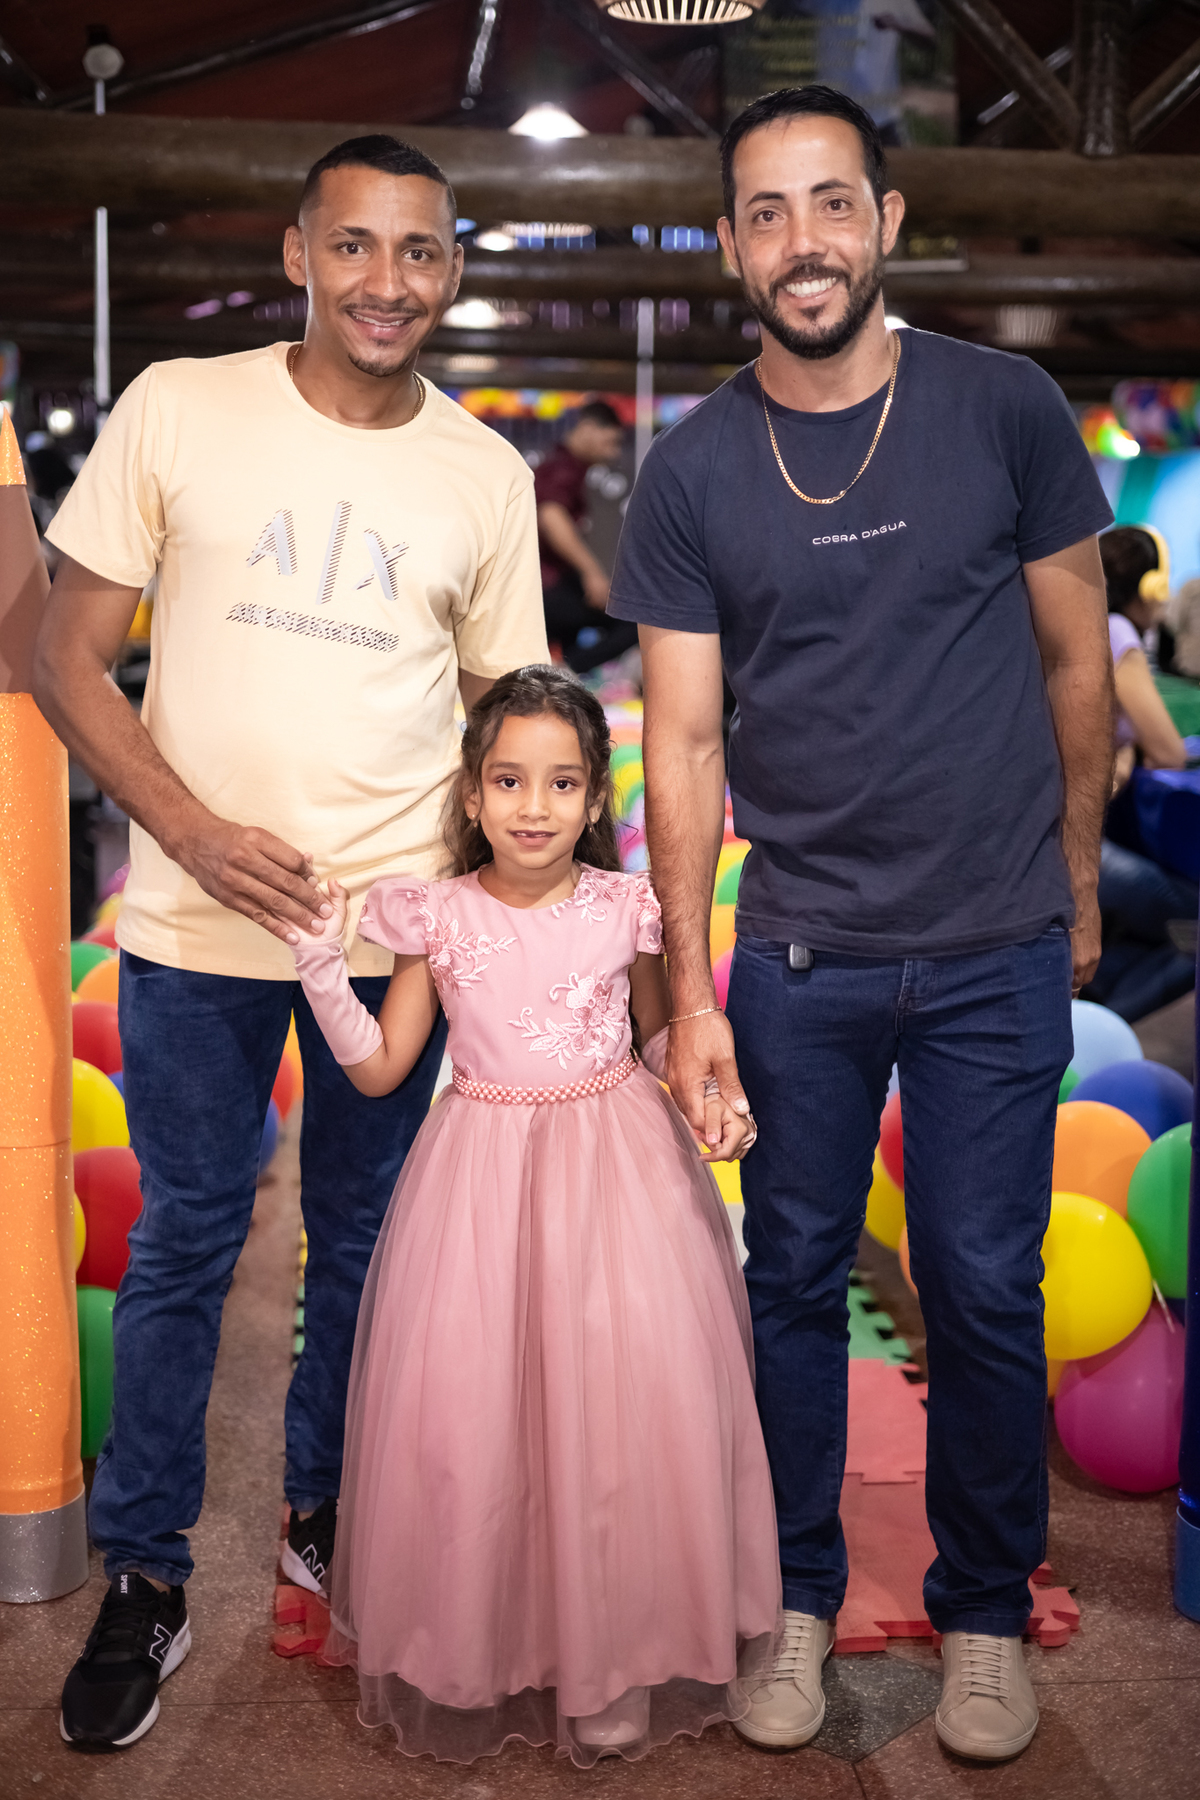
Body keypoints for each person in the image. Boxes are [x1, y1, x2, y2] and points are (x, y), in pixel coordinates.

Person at [608, 85, 1115, 1763]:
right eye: (765, 212)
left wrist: (1073, 884)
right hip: (801, 954)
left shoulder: (1005, 408)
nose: (802, 241)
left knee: (980, 1287)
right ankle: (795, 1600)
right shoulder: (694, 471)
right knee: (793, 1283)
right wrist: (693, 994)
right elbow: (684, 745)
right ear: (728, 247)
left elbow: (1076, 666)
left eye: (831, 202)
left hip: (991, 944)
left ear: (887, 221)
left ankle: (983, 1613)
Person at [35, 133, 549, 1751]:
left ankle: (327, 1514)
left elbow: (507, 722)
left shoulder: (484, 473)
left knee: (368, 1248)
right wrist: (187, 830)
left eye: (420, 251)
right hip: (196, 923)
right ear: (298, 253)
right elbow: (58, 652)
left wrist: (503, 926)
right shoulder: (181, 407)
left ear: (451, 270)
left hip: (389, 937)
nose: (387, 282)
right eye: (355, 245)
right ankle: (147, 1574)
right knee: (187, 1241)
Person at [278, 666, 780, 1766]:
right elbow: (383, 1067)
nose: (534, 806)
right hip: (481, 1183)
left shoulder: (627, 908)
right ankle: (495, 1640)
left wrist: (709, 1095)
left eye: (561, 782)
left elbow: (658, 1039)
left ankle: (612, 1658)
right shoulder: (436, 916)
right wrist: (321, 973)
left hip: (617, 1175)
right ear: (471, 794)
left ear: (596, 796)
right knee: (483, 1416)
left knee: (618, 1415)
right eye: (508, 781)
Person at [1084, 526, 1195, 1021]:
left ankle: (1093, 1013)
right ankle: (1096, 1033)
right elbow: (1169, 751)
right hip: (1084, 844)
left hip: (1049, 839)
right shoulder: (1117, 630)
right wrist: (1128, 749)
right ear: (1149, 587)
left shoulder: (1083, 623)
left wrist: (1124, 746)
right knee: (1192, 928)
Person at [536, 401, 639, 673]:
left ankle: (563, 673)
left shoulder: (565, 466)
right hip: (547, 586)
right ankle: (565, 670)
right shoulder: (561, 467)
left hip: (554, 584)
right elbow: (551, 517)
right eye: (611, 442)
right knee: (631, 622)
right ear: (589, 428)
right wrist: (591, 572)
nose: (614, 452)